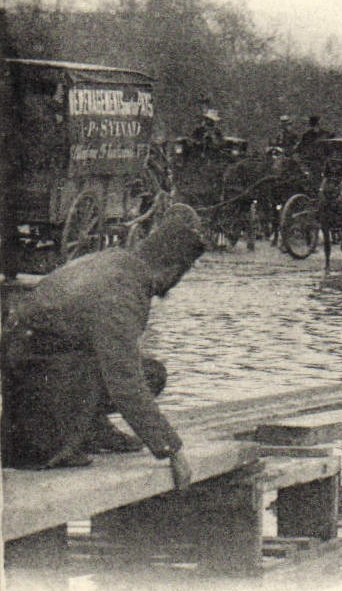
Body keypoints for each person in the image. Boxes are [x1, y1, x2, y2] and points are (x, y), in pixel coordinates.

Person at [2, 206, 206, 489]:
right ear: (171, 269)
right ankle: (59, 439)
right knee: (132, 373)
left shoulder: (115, 261)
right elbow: (124, 380)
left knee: (151, 372)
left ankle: (93, 430)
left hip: (27, 361)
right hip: (39, 376)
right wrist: (171, 449)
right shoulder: (122, 293)